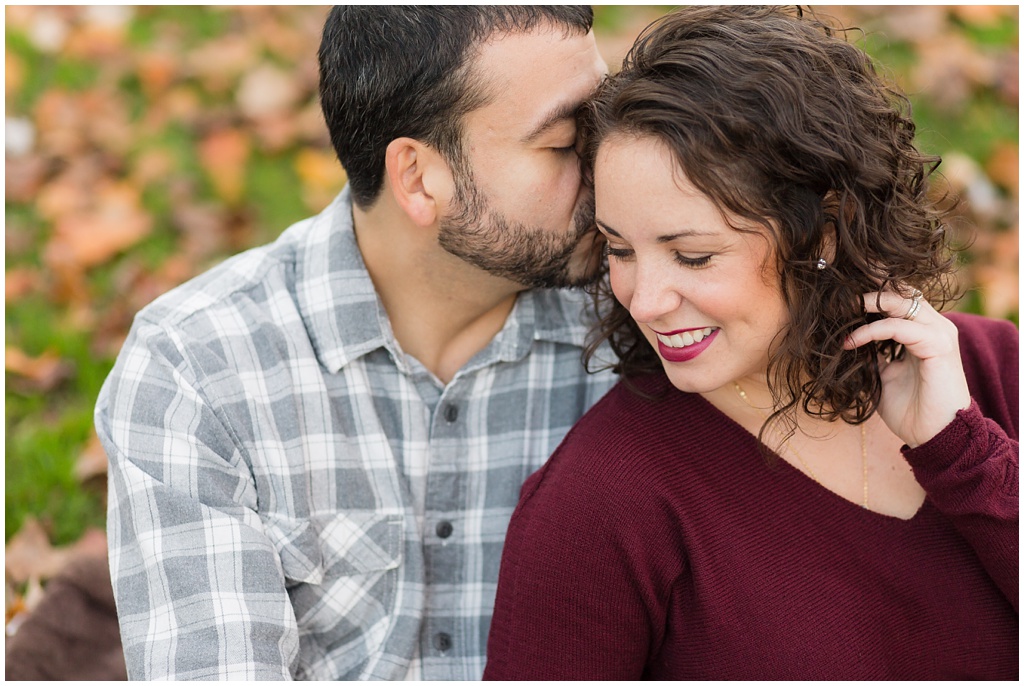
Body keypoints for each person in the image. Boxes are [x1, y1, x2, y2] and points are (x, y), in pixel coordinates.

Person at [484, 5, 1018, 680]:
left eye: (694, 256)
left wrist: (964, 456)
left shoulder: (998, 373)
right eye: (619, 248)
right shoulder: (601, 503)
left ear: (823, 233)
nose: (644, 299)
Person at [95, 7, 615, 680]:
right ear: (420, 178)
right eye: (567, 140)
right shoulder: (196, 370)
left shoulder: (638, 324)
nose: (608, 163)